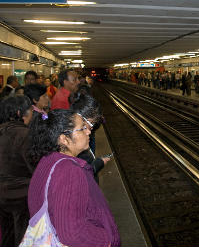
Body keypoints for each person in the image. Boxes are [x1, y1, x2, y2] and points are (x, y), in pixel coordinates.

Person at [28, 109, 120, 246]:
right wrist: (106, 239)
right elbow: (72, 233)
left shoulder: (48, 160)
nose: (88, 131)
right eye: (82, 128)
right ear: (64, 139)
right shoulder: (70, 172)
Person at [0, 96, 34, 247]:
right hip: (21, 196)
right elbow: (34, 168)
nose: (32, 113)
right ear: (21, 113)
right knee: (22, 237)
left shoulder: (2, 130)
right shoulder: (25, 135)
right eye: (31, 110)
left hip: (2, 195)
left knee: (7, 233)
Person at [71, 94, 110, 182]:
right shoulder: (77, 148)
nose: (90, 131)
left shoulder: (80, 141)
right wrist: (96, 165)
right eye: (91, 123)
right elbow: (80, 179)